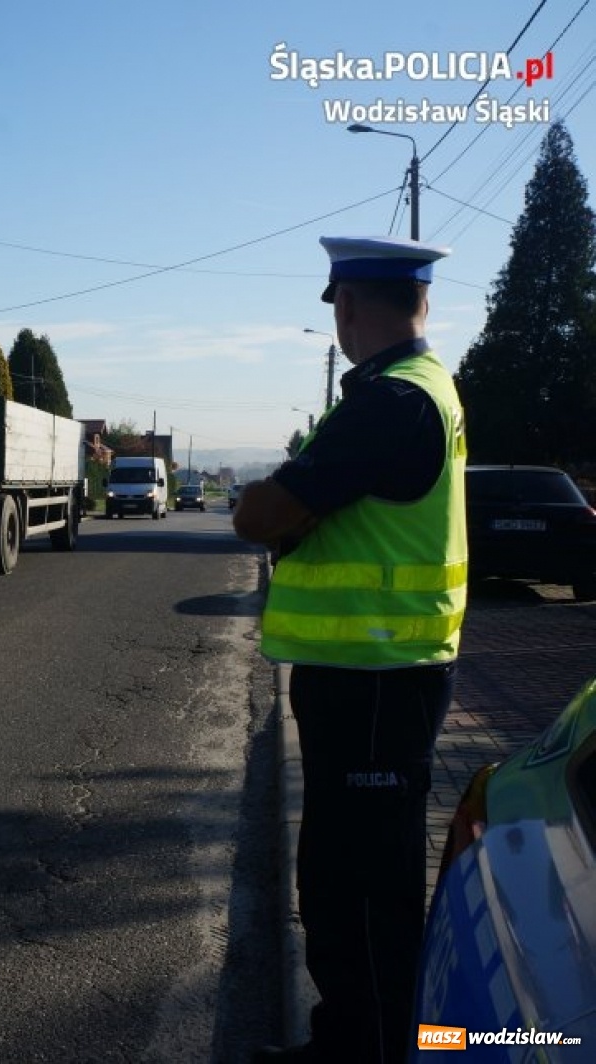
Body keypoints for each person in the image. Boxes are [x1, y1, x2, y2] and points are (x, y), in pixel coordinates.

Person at [236, 235, 468, 1063]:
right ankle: (361, 1037)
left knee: (355, 884)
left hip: (374, 679)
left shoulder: (387, 402)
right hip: (383, 679)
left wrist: (277, 495)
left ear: (349, 304)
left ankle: (359, 1049)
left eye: (334, 304)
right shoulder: (420, 389)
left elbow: (261, 516)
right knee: (364, 871)